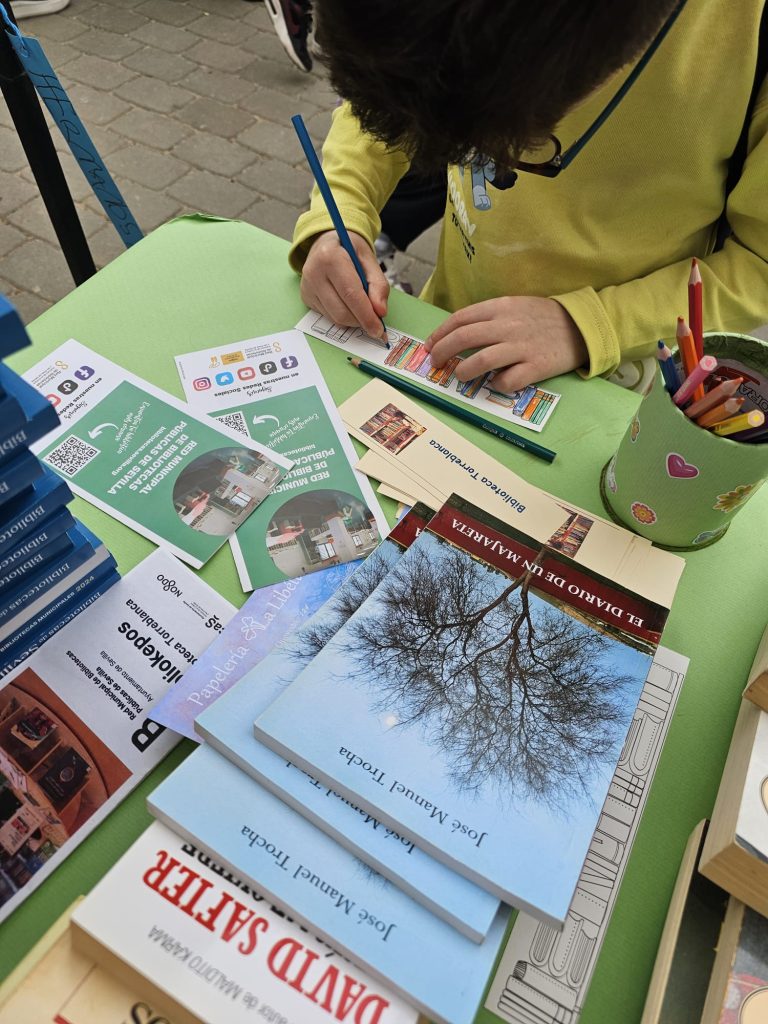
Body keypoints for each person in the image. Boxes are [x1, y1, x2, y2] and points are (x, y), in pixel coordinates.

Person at [289, 0, 768, 394]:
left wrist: (588, 325)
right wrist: (340, 215)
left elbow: (759, 265)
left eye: (517, 146)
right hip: (449, 320)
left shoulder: (749, 34)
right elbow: (393, 87)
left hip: (615, 376)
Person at [264, 0, 445, 294]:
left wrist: (551, 312)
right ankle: (380, 238)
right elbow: (375, 113)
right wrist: (341, 218)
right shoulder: (414, 57)